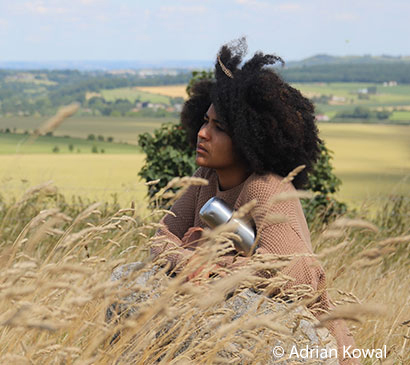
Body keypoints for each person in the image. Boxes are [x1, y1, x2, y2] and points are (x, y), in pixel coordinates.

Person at [149, 39, 358, 364]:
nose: (203, 133)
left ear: (249, 137)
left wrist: (214, 265)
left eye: (218, 127)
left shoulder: (266, 188)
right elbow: (161, 239)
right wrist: (190, 262)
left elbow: (298, 272)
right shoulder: (204, 178)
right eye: (205, 121)